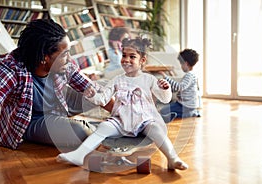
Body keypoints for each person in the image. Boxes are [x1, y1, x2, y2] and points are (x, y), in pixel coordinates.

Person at [58, 37, 189, 171]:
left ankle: (172, 158)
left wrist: (165, 89)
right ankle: (79, 154)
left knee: (156, 129)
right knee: (103, 126)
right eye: (124, 55)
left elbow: (165, 99)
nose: (126, 59)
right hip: (120, 121)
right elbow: (103, 99)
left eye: (132, 56)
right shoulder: (117, 80)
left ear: (142, 60)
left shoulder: (149, 79)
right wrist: (93, 96)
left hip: (144, 121)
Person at [0, 19, 100, 150]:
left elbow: (91, 89)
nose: (69, 59)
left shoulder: (64, 63)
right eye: (64, 54)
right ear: (44, 57)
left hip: (60, 104)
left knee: (102, 91)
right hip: (33, 120)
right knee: (79, 132)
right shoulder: (10, 69)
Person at [159, 48, 200, 122]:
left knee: (163, 111)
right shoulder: (191, 75)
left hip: (185, 106)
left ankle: (190, 113)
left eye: (181, 64)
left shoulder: (189, 76)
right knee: (166, 109)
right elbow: (178, 88)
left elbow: (179, 87)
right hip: (185, 104)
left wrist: (166, 77)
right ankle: (190, 112)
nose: (181, 66)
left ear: (186, 63)